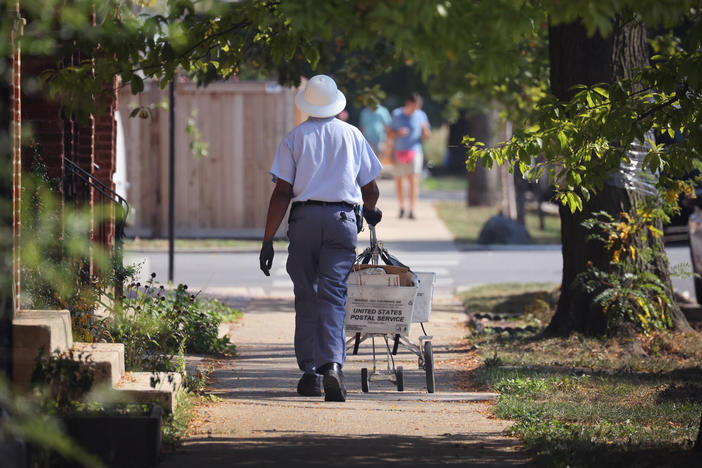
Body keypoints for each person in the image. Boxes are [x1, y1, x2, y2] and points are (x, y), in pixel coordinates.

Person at [259, 75, 383, 402]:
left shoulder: (294, 138)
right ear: (336, 102)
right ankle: (333, 366)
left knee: (307, 295)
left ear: (307, 104)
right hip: (342, 221)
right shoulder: (353, 135)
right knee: (333, 295)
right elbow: (370, 188)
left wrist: (267, 239)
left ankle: (310, 373)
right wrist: (370, 211)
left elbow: (282, 192)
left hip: (304, 221)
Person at [389, 93, 431, 219]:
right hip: (398, 151)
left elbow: (427, 136)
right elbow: (389, 134)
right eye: (414, 106)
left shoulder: (421, 115)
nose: (416, 109)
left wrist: (424, 131)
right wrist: (397, 133)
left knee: (413, 181)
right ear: (408, 103)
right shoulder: (397, 114)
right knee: (399, 181)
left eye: (418, 106)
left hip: (415, 151)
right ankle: (402, 207)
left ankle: (412, 210)